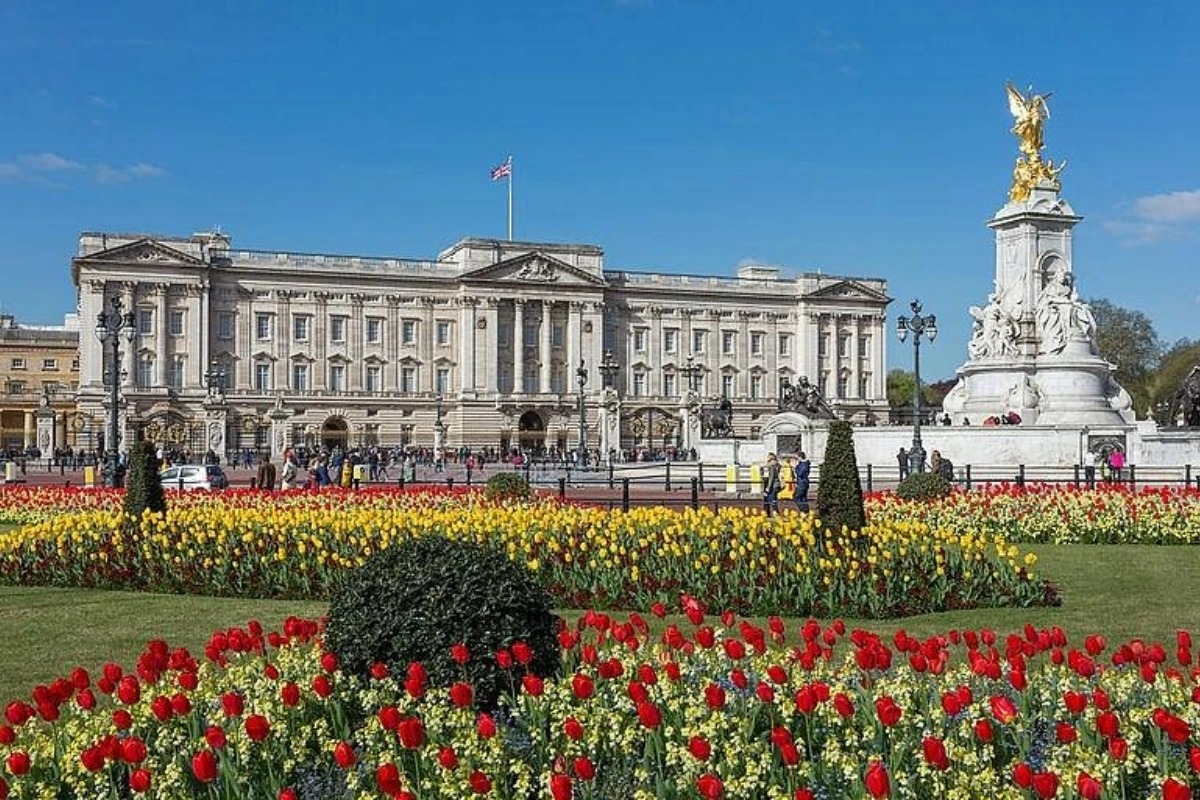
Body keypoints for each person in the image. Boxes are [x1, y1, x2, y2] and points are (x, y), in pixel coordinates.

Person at [761, 453, 782, 517]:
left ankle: (776, 513)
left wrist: (768, 488)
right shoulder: (776, 465)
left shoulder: (771, 466)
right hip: (776, 484)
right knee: (773, 499)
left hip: (773, 485)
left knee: (772, 499)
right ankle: (776, 513)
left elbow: (771, 478)